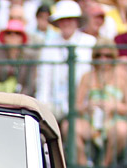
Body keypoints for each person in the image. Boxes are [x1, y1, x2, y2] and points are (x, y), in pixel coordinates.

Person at [35, 0, 95, 135]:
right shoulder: (49, 45)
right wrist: (43, 108)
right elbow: (44, 80)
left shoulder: (90, 42)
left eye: (70, 19)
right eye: (63, 20)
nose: (66, 23)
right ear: (58, 23)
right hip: (56, 103)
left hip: (84, 103)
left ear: (77, 22)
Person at [74, 40, 127, 166]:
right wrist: (88, 107)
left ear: (113, 57)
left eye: (107, 56)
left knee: (121, 130)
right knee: (69, 127)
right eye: (99, 55)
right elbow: (76, 105)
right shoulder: (87, 76)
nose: (103, 59)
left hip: (114, 120)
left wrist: (114, 106)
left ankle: (105, 165)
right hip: (91, 121)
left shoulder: (123, 76)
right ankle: (84, 166)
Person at [0, 18, 36, 95]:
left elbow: (30, 85)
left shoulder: (29, 57)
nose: (13, 36)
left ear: (22, 38)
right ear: (4, 37)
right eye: (9, 33)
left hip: (23, 101)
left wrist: (19, 99)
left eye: (17, 33)